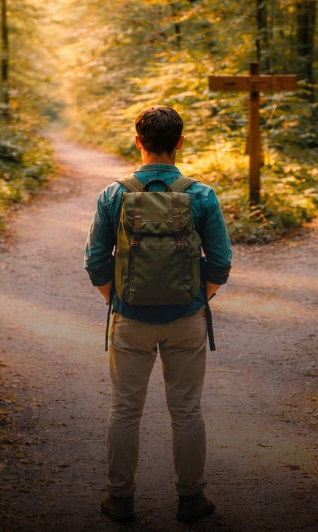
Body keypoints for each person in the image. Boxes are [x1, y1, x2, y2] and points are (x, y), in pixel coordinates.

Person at [83, 105, 232, 523]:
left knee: (124, 410)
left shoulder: (113, 194)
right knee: (186, 410)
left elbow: (95, 261)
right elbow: (221, 262)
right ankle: (191, 499)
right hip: (186, 319)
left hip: (130, 318)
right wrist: (197, 298)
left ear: (138, 142)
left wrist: (117, 300)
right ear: (180, 142)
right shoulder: (201, 195)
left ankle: (120, 499)